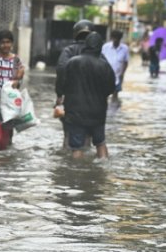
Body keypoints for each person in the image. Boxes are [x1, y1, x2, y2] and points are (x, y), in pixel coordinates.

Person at [55, 32, 115, 159]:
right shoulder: (105, 65)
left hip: (76, 111)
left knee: (76, 147)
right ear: (100, 46)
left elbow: (62, 83)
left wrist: (61, 96)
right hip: (98, 112)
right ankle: (103, 168)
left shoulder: (72, 62)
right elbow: (111, 88)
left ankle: (77, 173)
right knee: (100, 142)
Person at [54, 19, 94, 147]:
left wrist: (60, 94)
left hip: (70, 98)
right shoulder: (98, 53)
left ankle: (68, 162)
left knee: (68, 133)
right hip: (91, 101)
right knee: (87, 135)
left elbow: (61, 70)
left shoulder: (68, 51)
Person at [101, 29, 130, 102]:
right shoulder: (105, 47)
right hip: (105, 75)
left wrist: (122, 74)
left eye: (118, 38)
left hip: (118, 75)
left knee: (115, 95)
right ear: (111, 38)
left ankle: (115, 110)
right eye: (114, 38)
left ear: (120, 39)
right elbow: (101, 60)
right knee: (104, 94)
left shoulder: (125, 48)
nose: (116, 40)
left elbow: (126, 62)